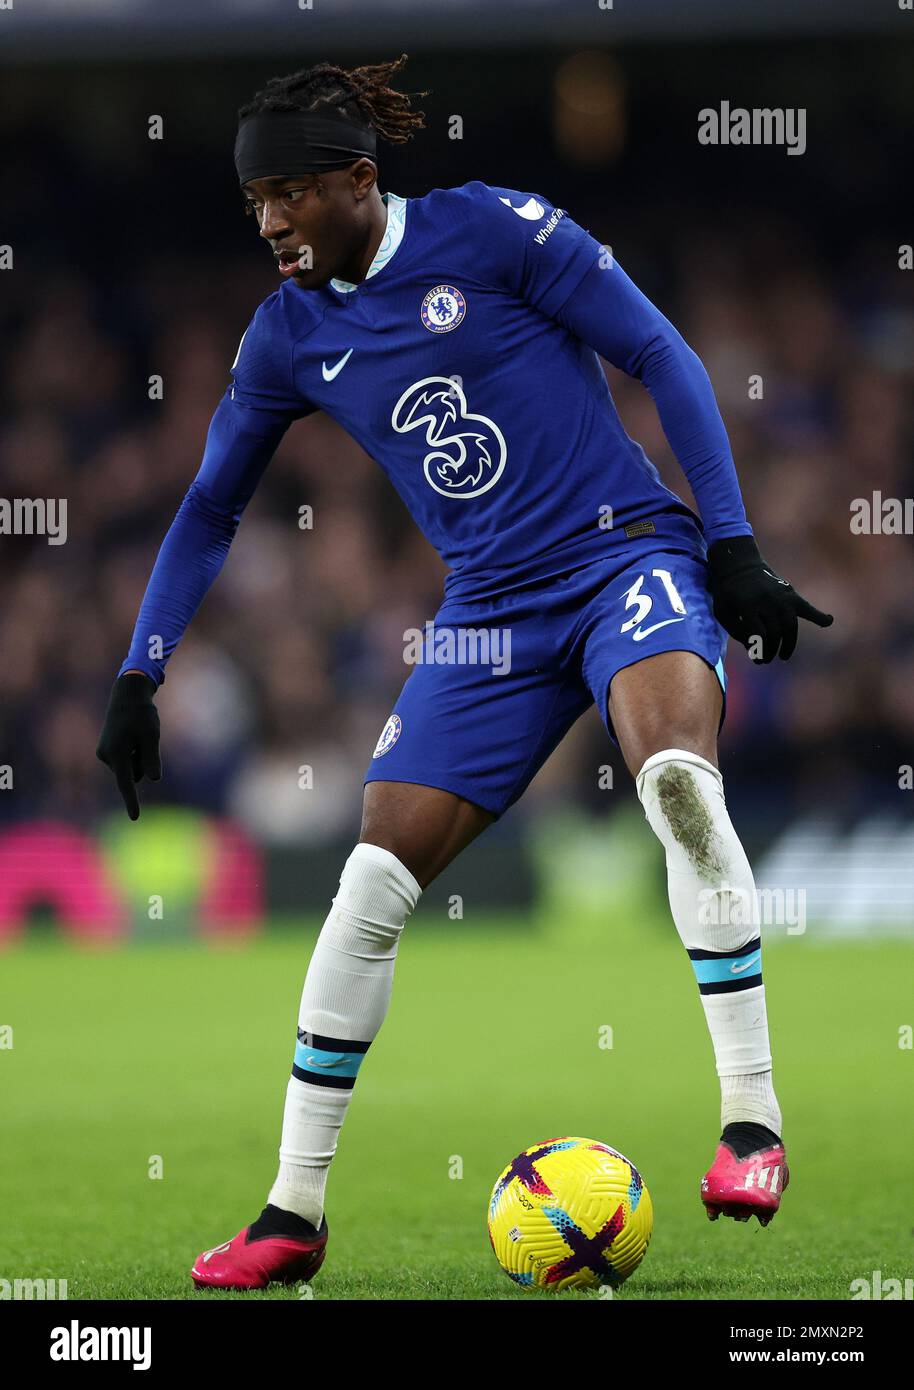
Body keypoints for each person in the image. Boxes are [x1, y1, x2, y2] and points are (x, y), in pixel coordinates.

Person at [96, 55, 833, 1290]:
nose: (270, 221)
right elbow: (209, 510)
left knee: (674, 787)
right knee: (369, 883)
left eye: (289, 193)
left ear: (358, 182)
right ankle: (292, 1213)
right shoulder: (286, 336)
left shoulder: (495, 230)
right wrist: (138, 671)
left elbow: (661, 355)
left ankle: (750, 1123)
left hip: (621, 559)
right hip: (487, 614)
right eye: (252, 202)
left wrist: (733, 547)